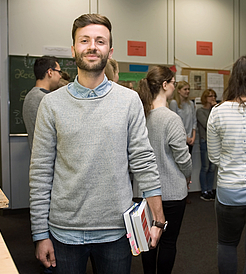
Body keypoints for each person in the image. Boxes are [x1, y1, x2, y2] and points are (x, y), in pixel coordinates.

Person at [29, 13, 166, 274]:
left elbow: (143, 159)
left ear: (109, 51)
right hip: (64, 232)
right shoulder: (51, 104)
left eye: (100, 41)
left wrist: (157, 216)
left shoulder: (129, 100)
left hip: (116, 232)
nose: (92, 46)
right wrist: (39, 233)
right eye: (85, 40)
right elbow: (40, 172)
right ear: (74, 49)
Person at [137, 66, 192, 274]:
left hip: (144, 192)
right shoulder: (171, 119)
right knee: (168, 243)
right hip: (171, 192)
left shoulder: (140, 116)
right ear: (165, 85)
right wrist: (187, 174)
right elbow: (183, 158)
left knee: (148, 242)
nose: (175, 87)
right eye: (174, 83)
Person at [207, 55, 246, 274]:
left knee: (227, 244)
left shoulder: (219, 112)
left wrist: (232, 162)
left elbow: (214, 157)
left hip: (230, 191)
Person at [22, 56, 62, 150]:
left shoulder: (31, 95)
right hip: (47, 157)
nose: (60, 76)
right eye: (59, 72)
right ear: (50, 72)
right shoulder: (42, 98)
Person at [196, 89, 217, 201]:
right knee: (205, 167)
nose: (212, 98)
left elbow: (219, 123)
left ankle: (210, 190)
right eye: (209, 96)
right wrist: (214, 109)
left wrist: (215, 108)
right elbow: (208, 124)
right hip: (205, 141)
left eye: (213, 96)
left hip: (214, 142)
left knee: (212, 167)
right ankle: (204, 191)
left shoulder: (215, 110)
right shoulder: (200, 111)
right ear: (205, 98)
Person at [169, 81, 197, 154]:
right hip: (179, 138)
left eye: (188, 89)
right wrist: (185, 138)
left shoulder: (190, 103)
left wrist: (193, 137)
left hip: (190, 139)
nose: (187, 91)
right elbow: (174, 123)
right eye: (185, 89)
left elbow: (194, 121)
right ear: (178, 90)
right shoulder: (174, 103)